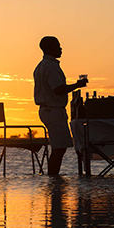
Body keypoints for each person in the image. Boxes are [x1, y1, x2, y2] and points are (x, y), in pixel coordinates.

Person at [34, 36, 88, 176]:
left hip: (48, 110)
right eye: (58, 46)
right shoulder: (50, 66)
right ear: (51, 48)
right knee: (59, 148)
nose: (61, 49)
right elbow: (58, 89)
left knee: (60, 147)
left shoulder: (41, 66)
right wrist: (78, 85)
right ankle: (53, 179)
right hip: (53, 110)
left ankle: (54, 179)